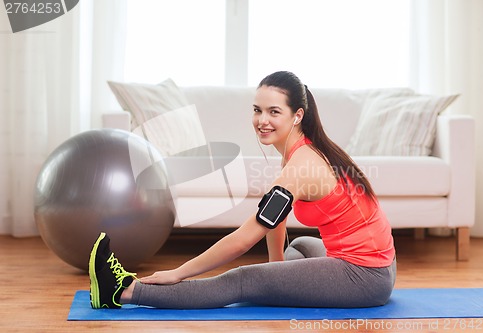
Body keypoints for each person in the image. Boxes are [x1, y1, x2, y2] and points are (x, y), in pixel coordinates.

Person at [88, 71, 396, 309]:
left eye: (274, 112)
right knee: (300, 245)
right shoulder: (302, 151)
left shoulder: (302, 166)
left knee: (242, 279)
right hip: (381, 266)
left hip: (367, 278)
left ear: (297, 115)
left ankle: (124, 291)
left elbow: (243, 241)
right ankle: (278, 282)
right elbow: (278, 221)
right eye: (257, 110)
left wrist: (178, 272)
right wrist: (277, 269)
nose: (262, 121)